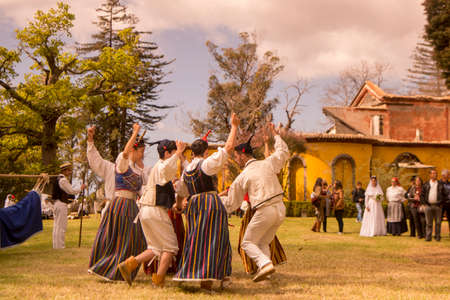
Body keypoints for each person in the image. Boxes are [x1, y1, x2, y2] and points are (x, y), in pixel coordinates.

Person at [173, 113, 239, 290]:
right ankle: (210, 281)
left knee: (196, 240)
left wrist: (179, 207)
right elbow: (229, 146)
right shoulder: (207, 164)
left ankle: (196, 273)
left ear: (192, 153)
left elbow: (181, 191)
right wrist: (234, 126)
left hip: (194, 206)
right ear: (206, 152)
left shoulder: (186, 171)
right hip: (210, 203)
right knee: (215, 239)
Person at [224, 122, 289, 282]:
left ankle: (265, 263)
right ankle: (266, 273)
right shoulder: (267, 163)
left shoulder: (243, 175)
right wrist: (276, 135)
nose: (236, 160)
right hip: (280, 209)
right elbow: (283, 151)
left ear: (243, 155)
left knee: (247, 243)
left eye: (237, 157)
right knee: (263, 242)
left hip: (265, 209)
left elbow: (232, 203)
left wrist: (213, 202)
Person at [118, 139, 186, 287]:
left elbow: (164, 189)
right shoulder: (162, 166)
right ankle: (158, 282)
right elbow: (167, 168)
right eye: (173, 152)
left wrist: (174, 205)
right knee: (170, 247)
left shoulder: (158, 169)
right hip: (154, 210)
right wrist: (179, 153)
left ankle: (128, 265)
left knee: (155, 248)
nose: (176, 155)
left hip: (147, 210)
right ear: (167, 153)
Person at [88, 123, 147, 281]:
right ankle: (109, 269)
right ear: (134, 150)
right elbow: (125, 152)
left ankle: (124, 268)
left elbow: (142, 191)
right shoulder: (122, 164)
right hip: (120, 205)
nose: (142, 155)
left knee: (137, 240)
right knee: (119, 240)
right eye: (141, 151)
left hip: (132, 208)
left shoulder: (139, 172)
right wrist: (135, 133)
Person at [52, 163, 85, 249]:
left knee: (57, 226)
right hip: (61, 204)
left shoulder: (57, 179)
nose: (70, 172)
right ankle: (60, 246)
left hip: (56, 204)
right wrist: (81, 188)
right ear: (65, 171)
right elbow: (72, 191)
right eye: (69, 170)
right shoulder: (63, 180)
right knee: (61, 226)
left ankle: (56, 246)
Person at [421, 169, 446, 242]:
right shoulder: (426, 184)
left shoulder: (440, 184)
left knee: (438, 222)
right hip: (428, 206)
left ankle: (437, 237)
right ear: (430, 175)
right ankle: (428, 237)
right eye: (433, 173)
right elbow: (422, 195)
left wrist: (441, 204)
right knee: (429, 223)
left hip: (438, 206)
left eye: (436, 173)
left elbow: (444, 195)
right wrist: (424, 204)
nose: (435, 175)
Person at [440, 169, 450, 237]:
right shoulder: (438, 183)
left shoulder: (449, 184)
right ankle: (437, 234)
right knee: (439, 219)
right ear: (443, 175)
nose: (449, 175)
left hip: (449, 203)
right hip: (441, 203)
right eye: (448, 174)